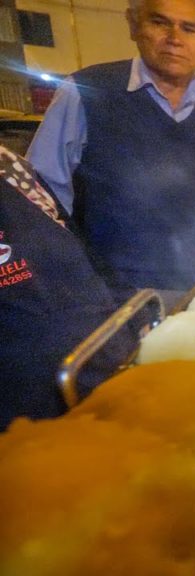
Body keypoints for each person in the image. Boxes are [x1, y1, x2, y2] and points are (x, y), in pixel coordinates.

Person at [28, 0, 195, 297]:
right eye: (160, 23)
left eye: (189, 28)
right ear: (133, 25)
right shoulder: (86, 93)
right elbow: (40, 200)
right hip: (119, 298)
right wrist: (66, 283)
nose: (175, 39)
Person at [0, 145, 133, 430]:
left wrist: (136, 318)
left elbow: (83, 255)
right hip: (34, 420)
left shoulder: (10, 164)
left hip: (102, 379)